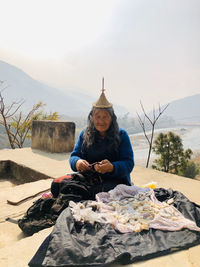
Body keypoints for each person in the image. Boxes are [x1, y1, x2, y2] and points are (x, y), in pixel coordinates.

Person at [69, 81, 134, 193]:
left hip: (115, 181)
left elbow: (128, 164)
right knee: (57, 184)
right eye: (97, 116)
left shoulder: (121, 135)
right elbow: (74, 156)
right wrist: (77, 162)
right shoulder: (85, 134)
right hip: (90, 179)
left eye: (105, 117)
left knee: (95, 193)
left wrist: (112, 167)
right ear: (92, 118)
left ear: (112, 118)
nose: (101, 121)